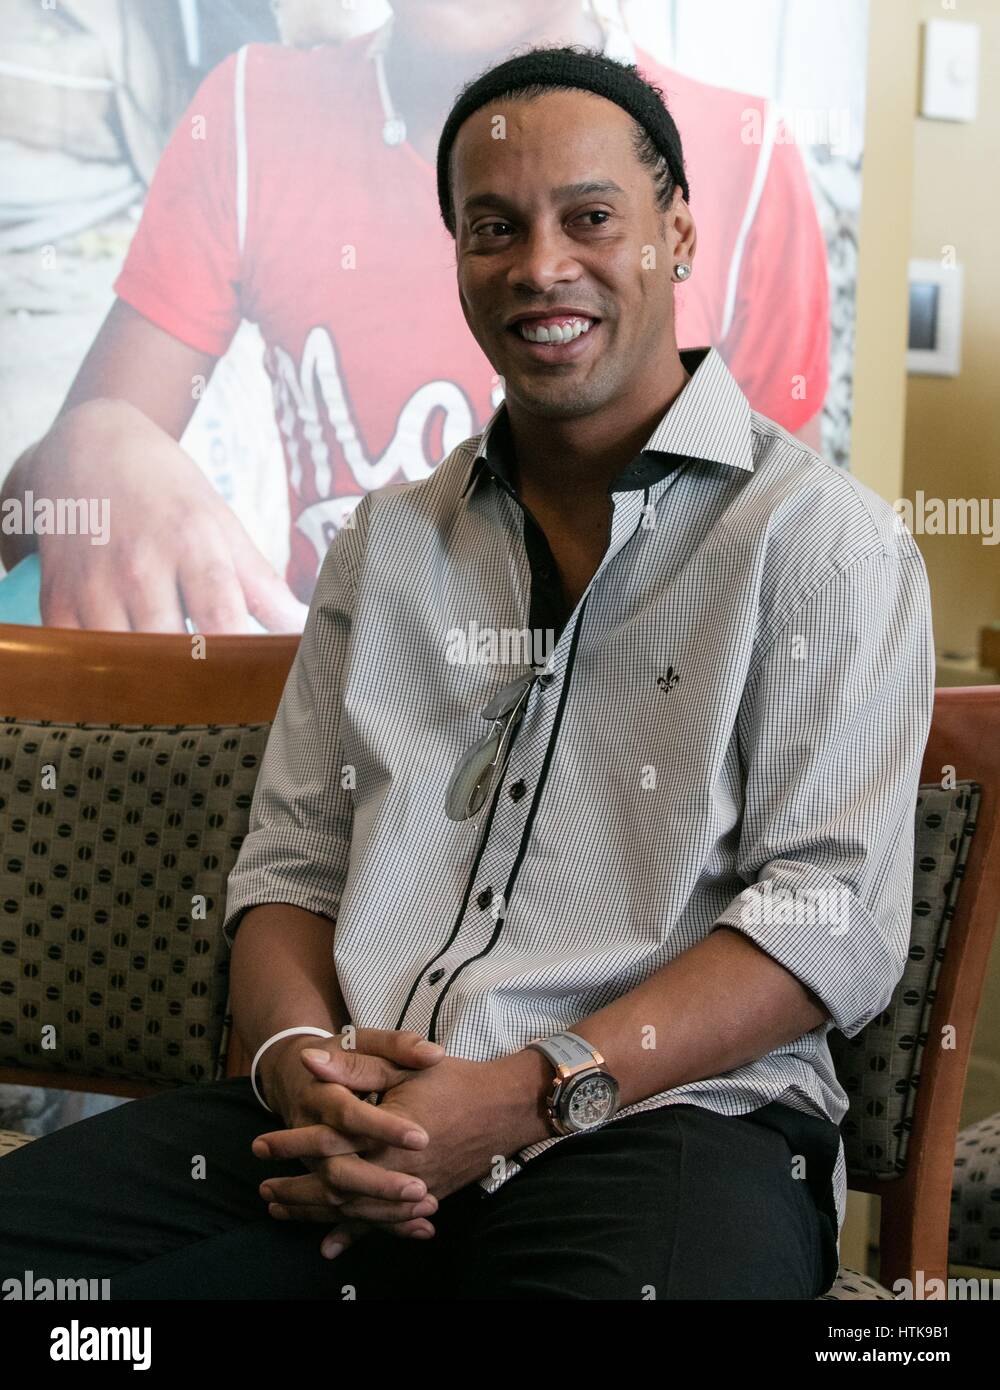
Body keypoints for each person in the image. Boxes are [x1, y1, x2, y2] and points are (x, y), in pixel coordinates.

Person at [0, 44, 933, 1300]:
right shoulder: (383, 549)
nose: (540, 265)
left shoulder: (822, 544)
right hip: (363, 1111)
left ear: (678, 233)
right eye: (494, 226)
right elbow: (288, 872)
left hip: (666, 1129)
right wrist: (296, 1068)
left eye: (589, 217)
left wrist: (521, 1096)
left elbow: (825, 916)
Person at [0, 0, 829, 632]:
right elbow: (23, 535)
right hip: (334, 772)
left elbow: (799, 591)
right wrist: (88, 447)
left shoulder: (745, 160)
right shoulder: (255, 116)